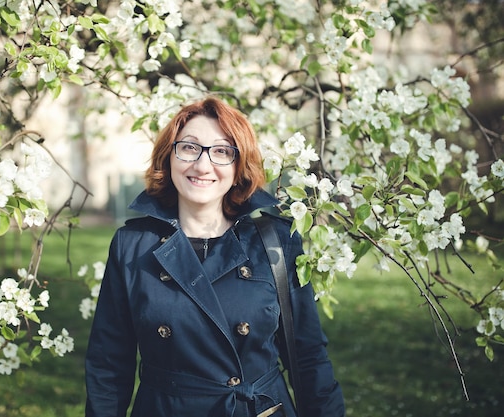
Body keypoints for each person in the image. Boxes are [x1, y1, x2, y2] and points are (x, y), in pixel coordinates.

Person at [85, 97, 344, 417]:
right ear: (169, 158)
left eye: (222, 151)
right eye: (190, 148)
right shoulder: (133, 245)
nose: (203, 165)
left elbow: (308, 357)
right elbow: (108, 364)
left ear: (239, 167)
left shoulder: (275, 242)